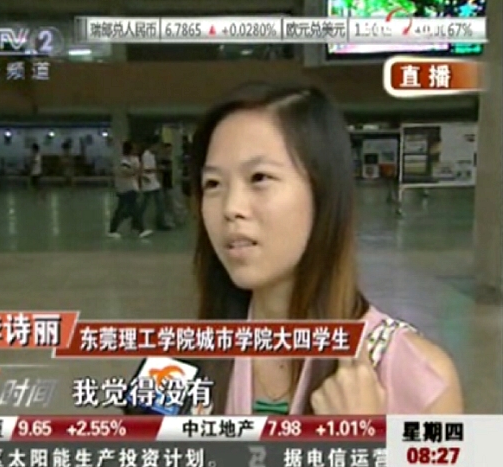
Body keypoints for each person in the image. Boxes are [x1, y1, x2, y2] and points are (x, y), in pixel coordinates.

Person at [190, 83, 463, 415]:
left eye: (259, 177)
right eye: (213, 184)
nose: (231, 207)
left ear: (324, 193)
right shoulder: (183, 363)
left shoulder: (423, 380)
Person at [108, 141, 153, 239]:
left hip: (131, 187)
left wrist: (142, 175)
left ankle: (114, 229)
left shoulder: (134, 159)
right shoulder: (125, 160)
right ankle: (141, 229)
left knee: (123, 209)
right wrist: (136, 171)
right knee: (133, 208)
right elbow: (125, 171)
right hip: (126, 188)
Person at [140, 137, 171, 231]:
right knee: (144, 204)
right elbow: (146, 169)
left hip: (154, 182)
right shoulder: (146, 155)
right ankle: (137, 221)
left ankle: (161, 223)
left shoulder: (152, 155)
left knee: (160, 203)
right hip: (148, 182)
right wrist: (157, 169)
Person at [159, 142, 179, 227]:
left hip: (170, 183)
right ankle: (169, 221)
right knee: (168, 203)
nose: (169, 151)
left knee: (172, 203)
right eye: (167, 149)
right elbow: (161, 169)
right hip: (165, 183)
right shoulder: (162, 159)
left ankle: (173, 219)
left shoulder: (171, 158)